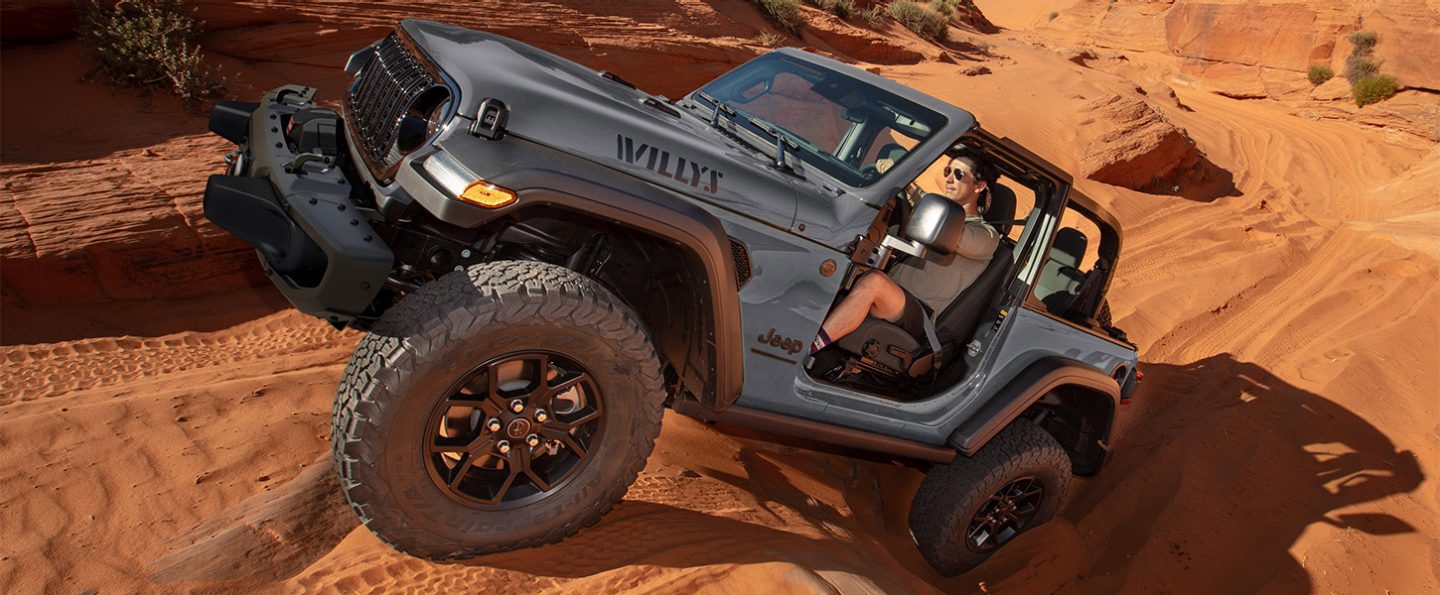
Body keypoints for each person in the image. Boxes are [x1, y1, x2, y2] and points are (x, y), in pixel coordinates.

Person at [811, 150, 1001, 354]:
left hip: (919, 313)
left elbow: (946, 228)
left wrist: (921, 202)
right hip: (893, 292)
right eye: (948, 171)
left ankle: (809, 349)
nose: (949, 178)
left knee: (873, 282)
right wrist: (898, 175)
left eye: (959, 174)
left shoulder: (986, 236)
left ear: (979, 186)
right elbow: (921, 201)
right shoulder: (937, 211)